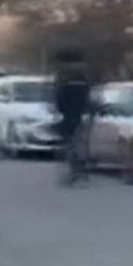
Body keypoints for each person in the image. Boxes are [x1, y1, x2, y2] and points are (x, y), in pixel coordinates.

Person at [51, 47, 92, 186]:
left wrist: (59, 109)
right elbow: (89, 94)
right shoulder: (84, 75)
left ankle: (74, 171)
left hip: (68, 113)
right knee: (80, 143)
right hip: (82, 113)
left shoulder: (63, 75)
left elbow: (59, 95)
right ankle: (81, 171)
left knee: (70, 143)